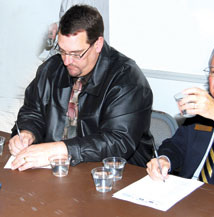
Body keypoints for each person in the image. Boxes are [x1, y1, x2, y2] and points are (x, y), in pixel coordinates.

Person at [9, 5, 153, 171]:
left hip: (117, 174)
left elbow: (117, 141)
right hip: (61, 171)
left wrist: (59, 149)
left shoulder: (127, 79)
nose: (66, 61)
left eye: (76, 54)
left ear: (98, 44)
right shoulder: (52, 69)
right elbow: (32, 111)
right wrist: (28, 133)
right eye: (62, 51)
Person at [147, 43, 214, 192]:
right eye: (213, 71)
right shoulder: (203, 109)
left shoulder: (210, 108)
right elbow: (176, 145)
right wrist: (164, 160)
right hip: (184, 193)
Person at [40, 0, 109, 61]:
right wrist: (57, 25)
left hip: (80, 58)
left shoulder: (71, 2)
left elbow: (71, 34)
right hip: (100, 53)